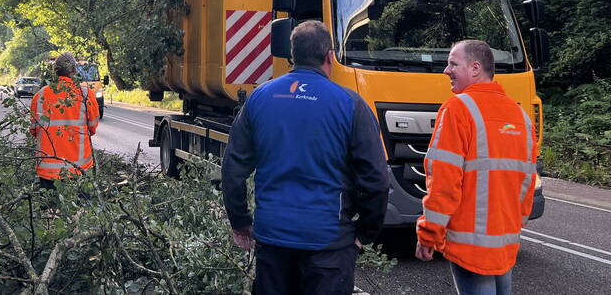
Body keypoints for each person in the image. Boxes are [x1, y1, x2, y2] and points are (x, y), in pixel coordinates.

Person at [222, 20, 390, 295]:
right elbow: (376, 179)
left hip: (273, 238)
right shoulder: (350, 104)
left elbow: (233, 168)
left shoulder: (259, 98)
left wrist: (240, 221)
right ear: (329, 55)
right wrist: (363, 234)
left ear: (292, 55)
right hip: (328, 244)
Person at [415, 39, 539, 295]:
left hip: (469, 246)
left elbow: (443, 181)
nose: (446, 71)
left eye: (452, 64)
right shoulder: (521, 117)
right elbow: (527, 182)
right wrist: (510, 225)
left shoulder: (457, 109)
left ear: (474, 69)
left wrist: (429, 233)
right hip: (504, 243)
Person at [30, 51, 100, 190]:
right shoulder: (84, 94)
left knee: (50, 209)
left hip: (47, 170)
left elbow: (34, 130)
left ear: (55, 71)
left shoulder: (40, 95)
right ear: (74, 70)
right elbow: (92, 127)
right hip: (78, 168)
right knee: (79, 209)